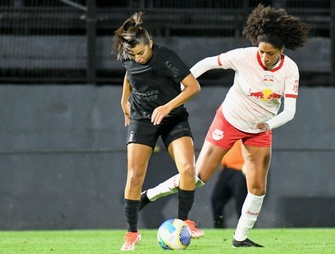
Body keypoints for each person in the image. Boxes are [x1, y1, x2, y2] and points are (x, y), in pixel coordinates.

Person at [140, 4, 310, 247]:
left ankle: (240, 239)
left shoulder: (290, 70)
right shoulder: (244, 56)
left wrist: (269, 125)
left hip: (260, 129)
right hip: (229, 120)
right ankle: (148, 196)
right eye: (261, 51)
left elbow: (290, 111)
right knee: (198, 177)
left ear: (281, 50)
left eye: (270, 53)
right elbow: (208, 63)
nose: (263, 57)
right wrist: (182, 85)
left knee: (258, 188)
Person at [112, 12, 204, 251]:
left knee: (187, 168)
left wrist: (167, 106)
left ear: (150, 44)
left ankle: (185, 221)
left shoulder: (166, 57)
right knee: (134, 176)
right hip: (142, 117)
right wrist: (124, 100)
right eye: (133, 54)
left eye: (141, 53)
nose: (138, 58)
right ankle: (132, 233)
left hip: (172, 116)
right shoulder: (128, 55)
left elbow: (193, 87)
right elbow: (129, 73)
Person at [211, 140, 247, 228]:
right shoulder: (228, 130)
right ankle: (219, 230)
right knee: (216, 199)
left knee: (241, 204)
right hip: (226, 169)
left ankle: (244, 232)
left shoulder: (246, 129)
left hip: (240, 170)